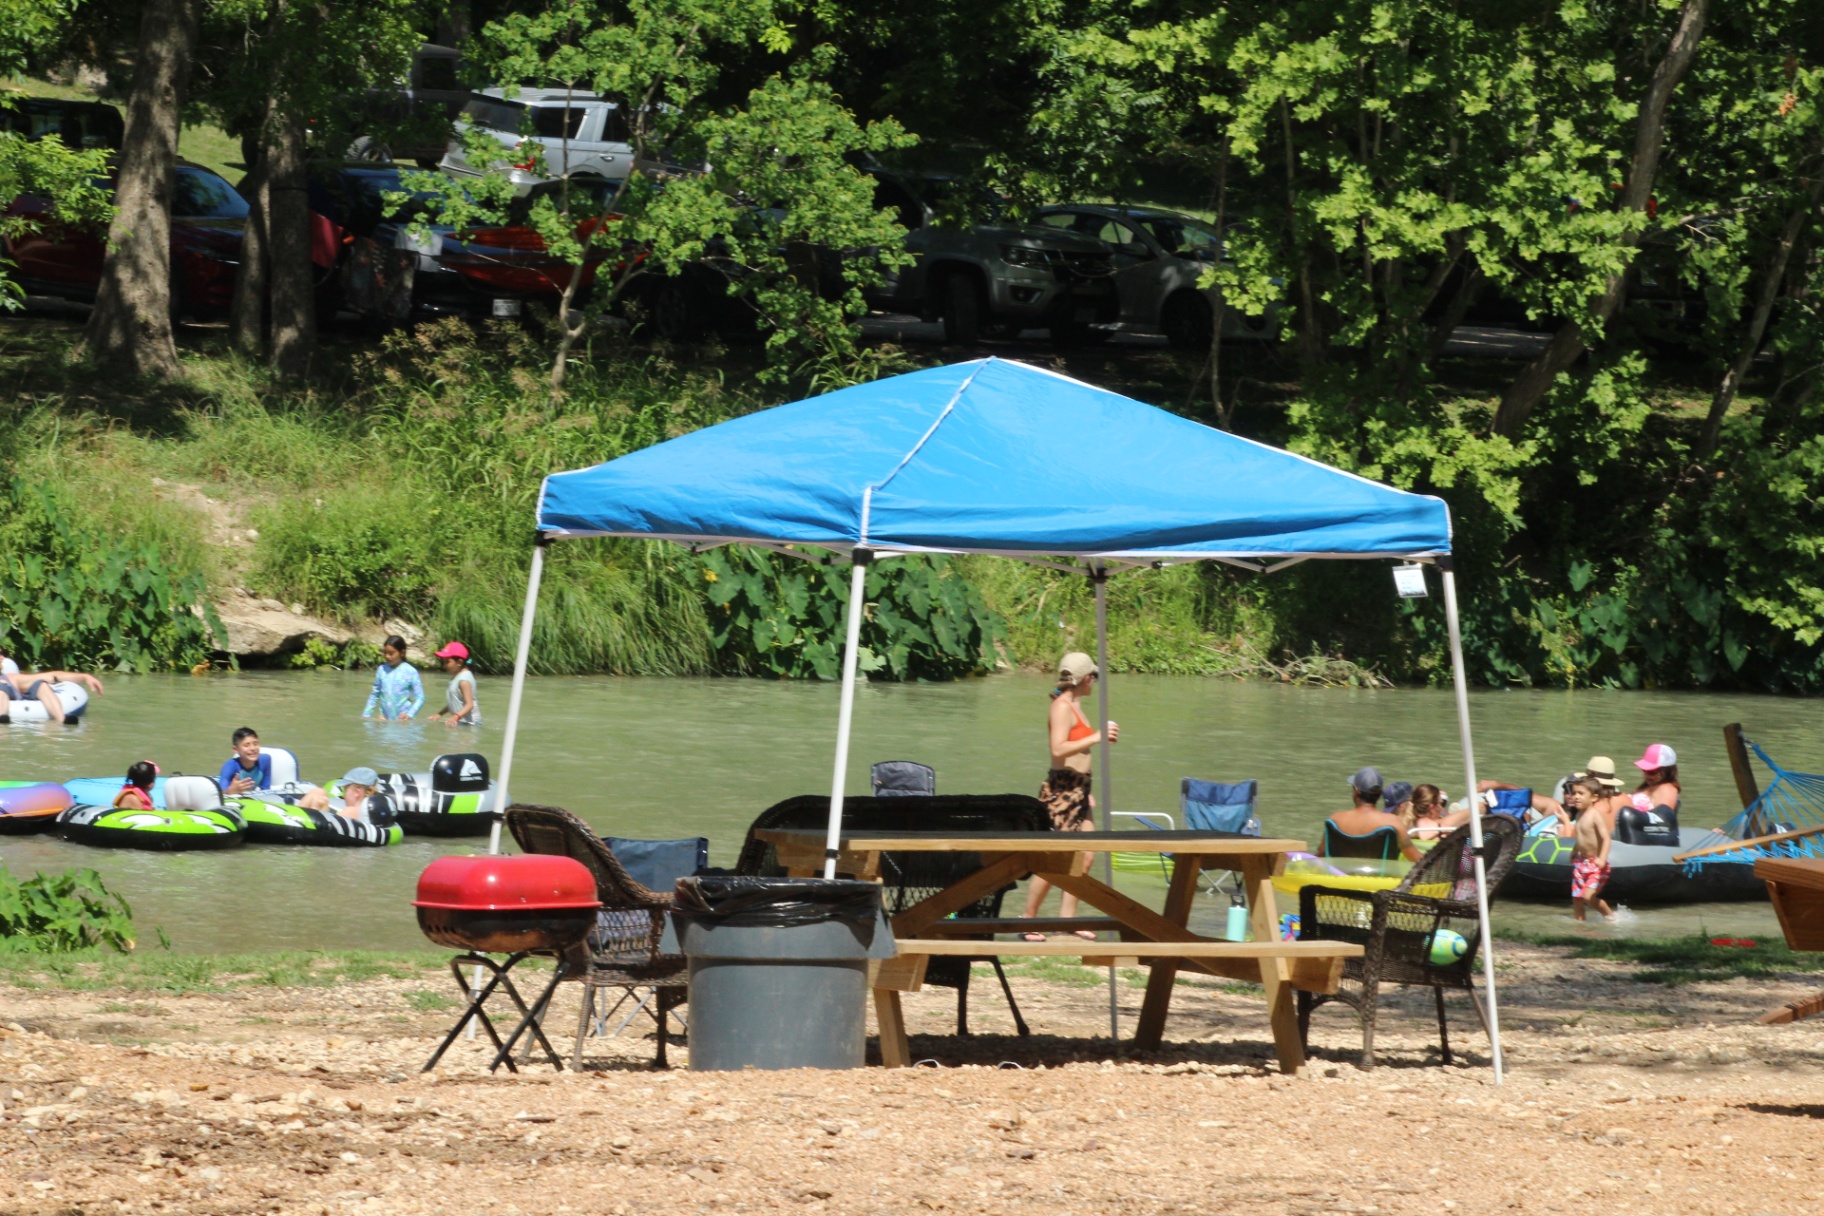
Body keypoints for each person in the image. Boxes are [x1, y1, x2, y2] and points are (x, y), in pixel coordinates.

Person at [1021, 652, 1117, 940]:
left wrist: (1087, 792)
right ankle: (1027, 921)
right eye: (1093, 677)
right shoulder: (1062, 707)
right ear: (1086, 678)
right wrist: (1097, 737)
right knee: (1057, 859)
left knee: (1085, 856)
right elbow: (1058, 749)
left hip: (1079, 789)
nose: (1095, 683)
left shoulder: (1076, 705)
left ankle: (1067, 920)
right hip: (1062, 791)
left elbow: (1078, 752)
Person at [1326, 767, 1422, 862]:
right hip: (1381, 877)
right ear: (1380, 793)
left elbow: (1321, 854)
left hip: (1341, 876)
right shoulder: (1393, 823)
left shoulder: (1335, 819)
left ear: (1356, 790)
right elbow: (1417, 859)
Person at [1567, 776, 1615, 921]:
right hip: (1582, 863)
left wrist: (1602, 858)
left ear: (1594, 797)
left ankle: (1611, 917)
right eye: (1574, 793)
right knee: (1577, 897)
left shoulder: (1595, 816)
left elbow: (1606, 838)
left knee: (1588, 896)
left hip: (1595, 864)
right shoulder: (1580, 815)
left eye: (1581, 793)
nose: (1576, 797)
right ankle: (1580, 924)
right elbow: (1582, 837)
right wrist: (1575, 851)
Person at [0, 663, 104, 725]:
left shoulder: (12, 679)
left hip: (23, 714)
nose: (2, 657)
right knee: (2, 688)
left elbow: (53, 676)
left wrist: (85, 677)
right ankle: (2, 717)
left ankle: (61, 719)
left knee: (41, 684)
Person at [362, 635, 425, 721]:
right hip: (384, 719)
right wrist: (366, 716)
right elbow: (374, 695)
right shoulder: (382, 670)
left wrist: (409, 715)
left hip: (403, 722)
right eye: (385, 653)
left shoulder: (410, 672)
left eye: (391, 653)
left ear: (402, 653)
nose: (387, 656)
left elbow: (420, 698)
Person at [428, 641, 480, 725]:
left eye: (447, 662)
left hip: (470, 724)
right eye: (443, 662)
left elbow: (469, 705)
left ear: (459, 662)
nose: (444, 665)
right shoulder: (457, 677)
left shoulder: (464, 680)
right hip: (462, 722)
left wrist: (455, 717)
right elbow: (454, 702)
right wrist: (439, 714)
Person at [300, 766, 379, 822]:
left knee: (318, 796)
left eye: (345, 789)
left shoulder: (352, 810)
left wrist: (318, 808)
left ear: (357, 792)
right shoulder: (366, 811)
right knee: (319, 792)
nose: (343, 795)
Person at [219, 727, 273, 795]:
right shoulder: (230, 766)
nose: (253, 748)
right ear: (235, 749)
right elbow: (221, 795)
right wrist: (231, 791)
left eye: (255, 744)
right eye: (246, 745)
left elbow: (266, 790)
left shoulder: (265, 761)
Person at [1633, 744, 1681, 811]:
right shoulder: (1648, 786)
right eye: (1644, 770)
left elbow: (1663, 819)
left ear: (1666, 771)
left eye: (1651, 772)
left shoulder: (1667, 789)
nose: (1646, 775)